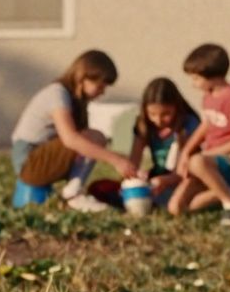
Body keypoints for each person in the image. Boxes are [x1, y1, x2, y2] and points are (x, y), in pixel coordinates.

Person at [10, 51, 139, 212]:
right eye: (100, 86)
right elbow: (70, 139)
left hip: (42, 157)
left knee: (92, 139)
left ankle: (73, 192)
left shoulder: (76, 100)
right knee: (94, 137)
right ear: (82, 78)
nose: (102, 92)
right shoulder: (57, 94)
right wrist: (115, 160)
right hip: (29, 162)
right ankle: (73, 195)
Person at [168, 43, 230, 225]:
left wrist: (206, 154)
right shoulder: (208, 97)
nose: (193, 84)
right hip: (210, 163)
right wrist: (185, 152)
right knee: (176, 208)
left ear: (212, 76)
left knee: (197, 161)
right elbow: (206, 126)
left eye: (195, 78)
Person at [129, 77, 200, 207]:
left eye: (165, 114)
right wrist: (138, 174)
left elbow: (189, 167)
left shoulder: (188, 125)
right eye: (152, 114)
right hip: (159, 177)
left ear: (177, 107)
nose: (158, 120)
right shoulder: (144, 125)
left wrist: (169, 180)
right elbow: (134, 160)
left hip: (185, 178)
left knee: (174, 203)